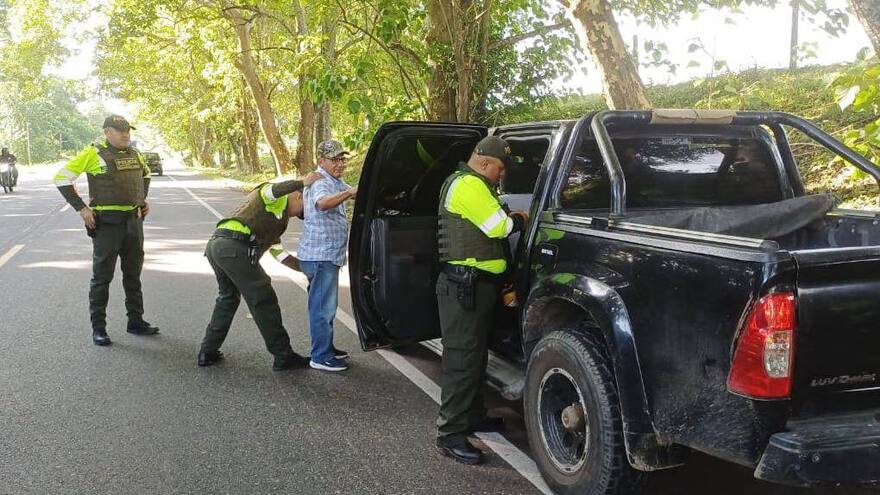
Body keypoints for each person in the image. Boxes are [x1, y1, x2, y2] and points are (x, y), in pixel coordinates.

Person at [434, 136, 529, 465]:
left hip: (476, 288)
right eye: (499, 168)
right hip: (465, 288)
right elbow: (499, 228)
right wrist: (520, 218)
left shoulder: (477, 186)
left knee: (473, 357)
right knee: (462, 361)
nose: (501, 175)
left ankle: (472, 416)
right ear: (484, 162)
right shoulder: (469, 185)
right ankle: (450, 434)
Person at [198, 174, 322, 371]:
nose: (299, 216)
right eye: (302, 211)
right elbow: (274, 189)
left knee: (228, 298)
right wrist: (302, 182)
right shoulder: (272, 195)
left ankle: (207, 351)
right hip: (234, 248)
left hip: (218, 247)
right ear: (299, 196)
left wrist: (308, 270)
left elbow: (279, 255)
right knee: (264, 300)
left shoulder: (278, 220)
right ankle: (283, 356)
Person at [54, 115, 158, 346]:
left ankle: (136, 321)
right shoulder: (93, 154)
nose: (125, 134)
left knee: (133, 275)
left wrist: (142, 199)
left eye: (127, 130)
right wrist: (82, 208)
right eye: (119, 130)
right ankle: (99, 328)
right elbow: (61, 177)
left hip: (133, 222)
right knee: (102, 278)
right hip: (107, 225)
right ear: (107, 132)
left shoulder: (135, 154)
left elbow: (146, 175)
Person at [297, 139, 357, 372]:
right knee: (322, 308)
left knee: (326, 306)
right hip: (320, 256)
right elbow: (322, 203)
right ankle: (320, 356)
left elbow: (350, 192)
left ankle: (326, 348)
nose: (340, 164)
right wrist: (349, 192)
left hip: (326, 255)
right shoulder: (320, 181)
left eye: (342, 159)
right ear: (321, 161)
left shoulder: (335, 181)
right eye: (335, 160)